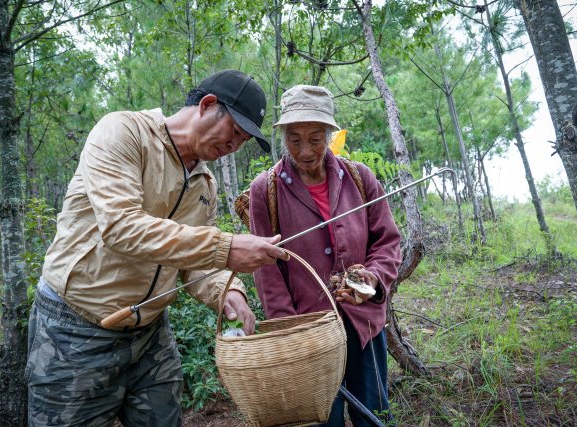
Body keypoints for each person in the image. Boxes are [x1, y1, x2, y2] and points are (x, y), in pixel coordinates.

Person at [25, 70, 289, 426]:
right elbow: (121, 228)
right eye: (235, 133)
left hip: (150, 334)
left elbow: (197, 265)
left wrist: (230, 292)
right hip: (74, 329)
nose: (234, 147)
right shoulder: (123, 133)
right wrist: (225, 248)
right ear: (207, 105)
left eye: (243, 141)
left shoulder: (205, 184)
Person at [249, 85, 402, 426]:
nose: (305, 151)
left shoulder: (360, 178)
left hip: (365, 326)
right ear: (284, 136)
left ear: (330, 134)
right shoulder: (266, 190)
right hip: (310, 334)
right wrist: (291, 331)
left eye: (316, 139)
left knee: (374, 415)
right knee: (321, 420)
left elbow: (388, 242)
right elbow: (267, 270)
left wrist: (372, 278)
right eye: (295, 139)